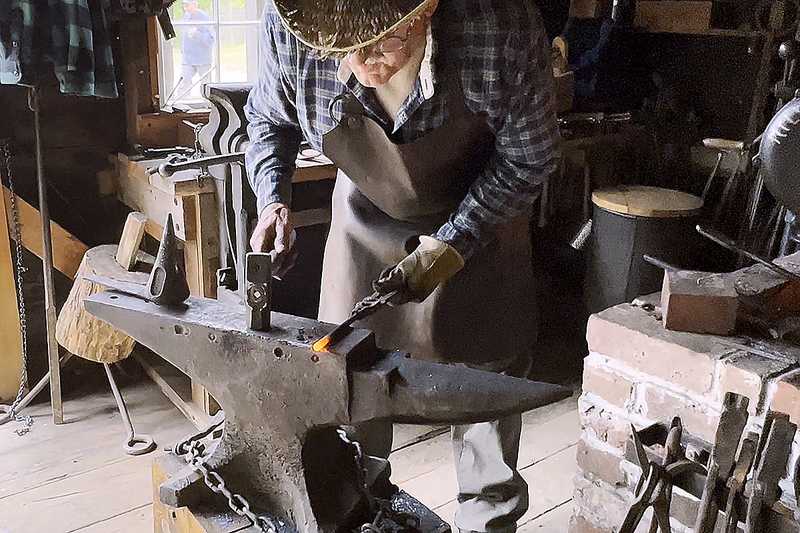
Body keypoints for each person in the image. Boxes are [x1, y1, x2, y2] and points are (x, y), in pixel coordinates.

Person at [244, 0, 560, 531]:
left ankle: (488, 518)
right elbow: (268, 121)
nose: (362, 62)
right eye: (344, 48)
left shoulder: (499, 26)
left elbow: (530, 157)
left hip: (480, 217)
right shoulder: (292, 27)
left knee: (486, 379)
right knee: (346, 374)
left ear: (425, 12)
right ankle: (357, 509)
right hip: (365, 218)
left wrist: (455, 239)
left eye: (383, 40)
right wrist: (272, 199)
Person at [175, 0, 214, 101]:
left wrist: (197, 35)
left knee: (206, 84)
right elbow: (184, 37)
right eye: (184, 5)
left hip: (203, 59)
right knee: (185, 80)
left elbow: (211, 39)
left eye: (187, 5)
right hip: (188, 58)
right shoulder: (186, 18)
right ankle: (181, 102)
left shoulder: (205, 19)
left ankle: (208, 104)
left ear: (195, 4)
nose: (185, 7)